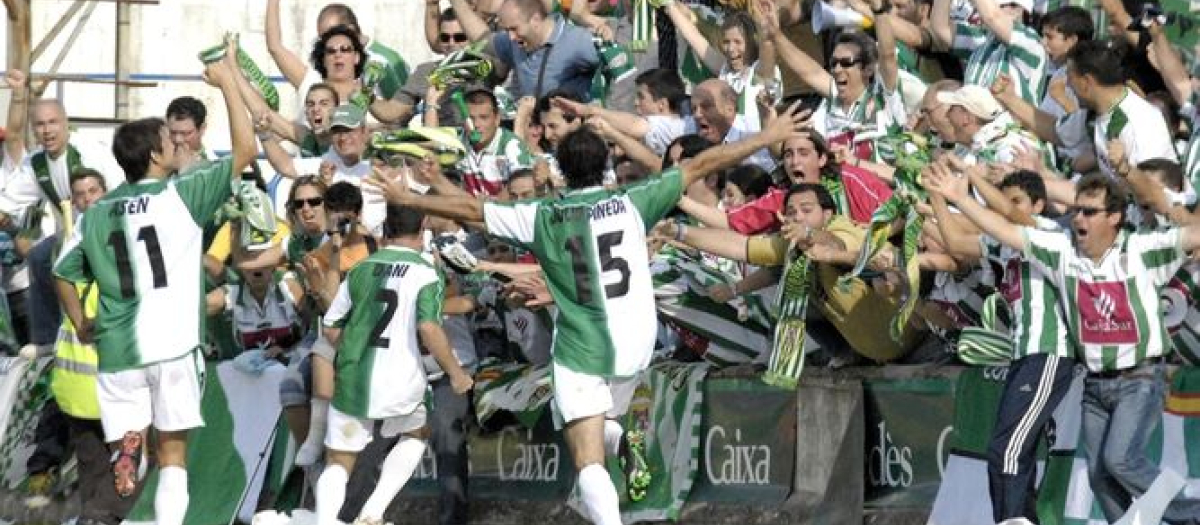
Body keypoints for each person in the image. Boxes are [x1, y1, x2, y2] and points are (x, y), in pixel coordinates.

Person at [365, 102, 809, 524]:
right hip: (636, 342)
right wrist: (767, 136)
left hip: (581, 344)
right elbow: (701, 164)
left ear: (560, 170)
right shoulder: (635, 199)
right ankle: (620, 437)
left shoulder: (541, 214)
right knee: (603, 422)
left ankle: (612, 474)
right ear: (607, 168)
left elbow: (470, 208)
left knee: (586, 457)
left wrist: (413, 198)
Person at [926, 166, 1200, 525]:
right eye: (1076, 211)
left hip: (1140, 376)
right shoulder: (1061, 250)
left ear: (1115, 216)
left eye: (1089, 212)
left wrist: (970, 183)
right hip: (1095, 383)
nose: (1078, 219)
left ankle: (1192, 514)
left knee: (1117, 460)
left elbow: (1192, 234)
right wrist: (955, 198)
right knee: (1100, 475)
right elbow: (996, 231)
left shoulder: (1142, 249)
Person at [51, 49, 254, 525]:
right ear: (157, 155)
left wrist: (82, 322)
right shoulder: (181, 195)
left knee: (131, 441)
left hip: (118, 349)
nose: (176, 144)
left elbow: (61, 272)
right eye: (169, 139)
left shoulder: (96, 212)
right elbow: (245, 151)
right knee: (174, 457)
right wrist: (226, 82)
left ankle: (128, 452)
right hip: (173, 345)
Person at [928, 165, 1075, 524]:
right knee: (1011, 450)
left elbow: (1011, 215)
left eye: (1016, 200)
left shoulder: (1051, 233)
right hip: (1021, 355)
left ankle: (1011, 520)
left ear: (1038, 205)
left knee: (1006, 449)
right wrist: (935, 193)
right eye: (1001, 200)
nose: (1005, 208)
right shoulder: (1003, 245)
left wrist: (967, 177)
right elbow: (954, 243)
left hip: (1049, 352)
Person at [314, 204, 474, 525]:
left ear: (386, 230)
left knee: (338, 461)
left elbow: (331, 327)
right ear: (424, 226)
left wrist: (353, 350)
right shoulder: (426, 271)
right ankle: (374, 511)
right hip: (402, 379)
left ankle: (327, 522)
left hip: (355, 377)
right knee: (416, 432)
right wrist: (456, 374)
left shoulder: (360, 269)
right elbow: (429, 328)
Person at [451, 0, 601, 100]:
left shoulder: (577, 41)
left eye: (514, 28)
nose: (510, 37)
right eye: (507, 30)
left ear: (535, 19)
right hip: (535, 136)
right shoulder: (516, 43)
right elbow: (484, 40)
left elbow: (617, 68)